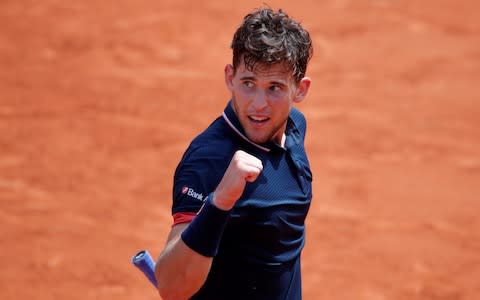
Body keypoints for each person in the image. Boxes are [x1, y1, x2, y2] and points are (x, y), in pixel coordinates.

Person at [154, 7, 313, 300]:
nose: (258, 104)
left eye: (274, 88)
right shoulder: (208, 161)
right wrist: (220, 202)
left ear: (299, 90)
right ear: (230, 77)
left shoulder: (294, 129)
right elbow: (171, 286)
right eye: (248, 83)